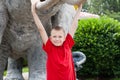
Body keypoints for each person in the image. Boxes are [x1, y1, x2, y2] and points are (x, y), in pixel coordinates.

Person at [31, 0, 85, 80]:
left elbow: (74, 25)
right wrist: (34, 13)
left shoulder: (67, 44)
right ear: (51, 38)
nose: (57, 39)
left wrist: (79, 8)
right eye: (54, 36)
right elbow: (41, 29)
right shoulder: (50, 47)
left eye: (60, 37)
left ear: (64, 38)